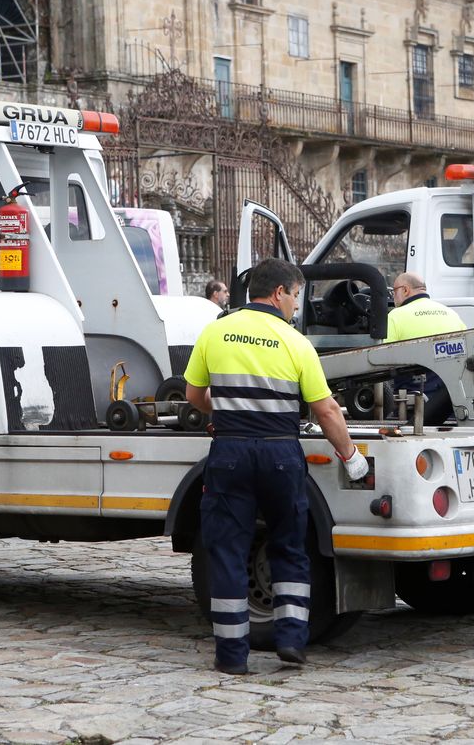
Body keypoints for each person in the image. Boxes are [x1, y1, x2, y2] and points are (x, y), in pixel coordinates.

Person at [184, 258, 365, 675]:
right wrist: (351, 459)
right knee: (289, 546)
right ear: (279, 292)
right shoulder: (295, 341)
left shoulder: (215, 331)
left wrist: (227, 408)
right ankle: (290, 641)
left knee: (228, 549)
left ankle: (231, 657)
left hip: (229, 452)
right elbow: (326, 410)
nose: (296, 305)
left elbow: (195, 394)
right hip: (280, 455)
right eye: (296, 296)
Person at [386, 272, 467, 425]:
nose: (393, 297)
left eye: (394, 291)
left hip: (410, 406)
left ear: (405, 290)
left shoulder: (395, 316)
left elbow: (380, 359)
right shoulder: (451, 314)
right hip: (450, 404)